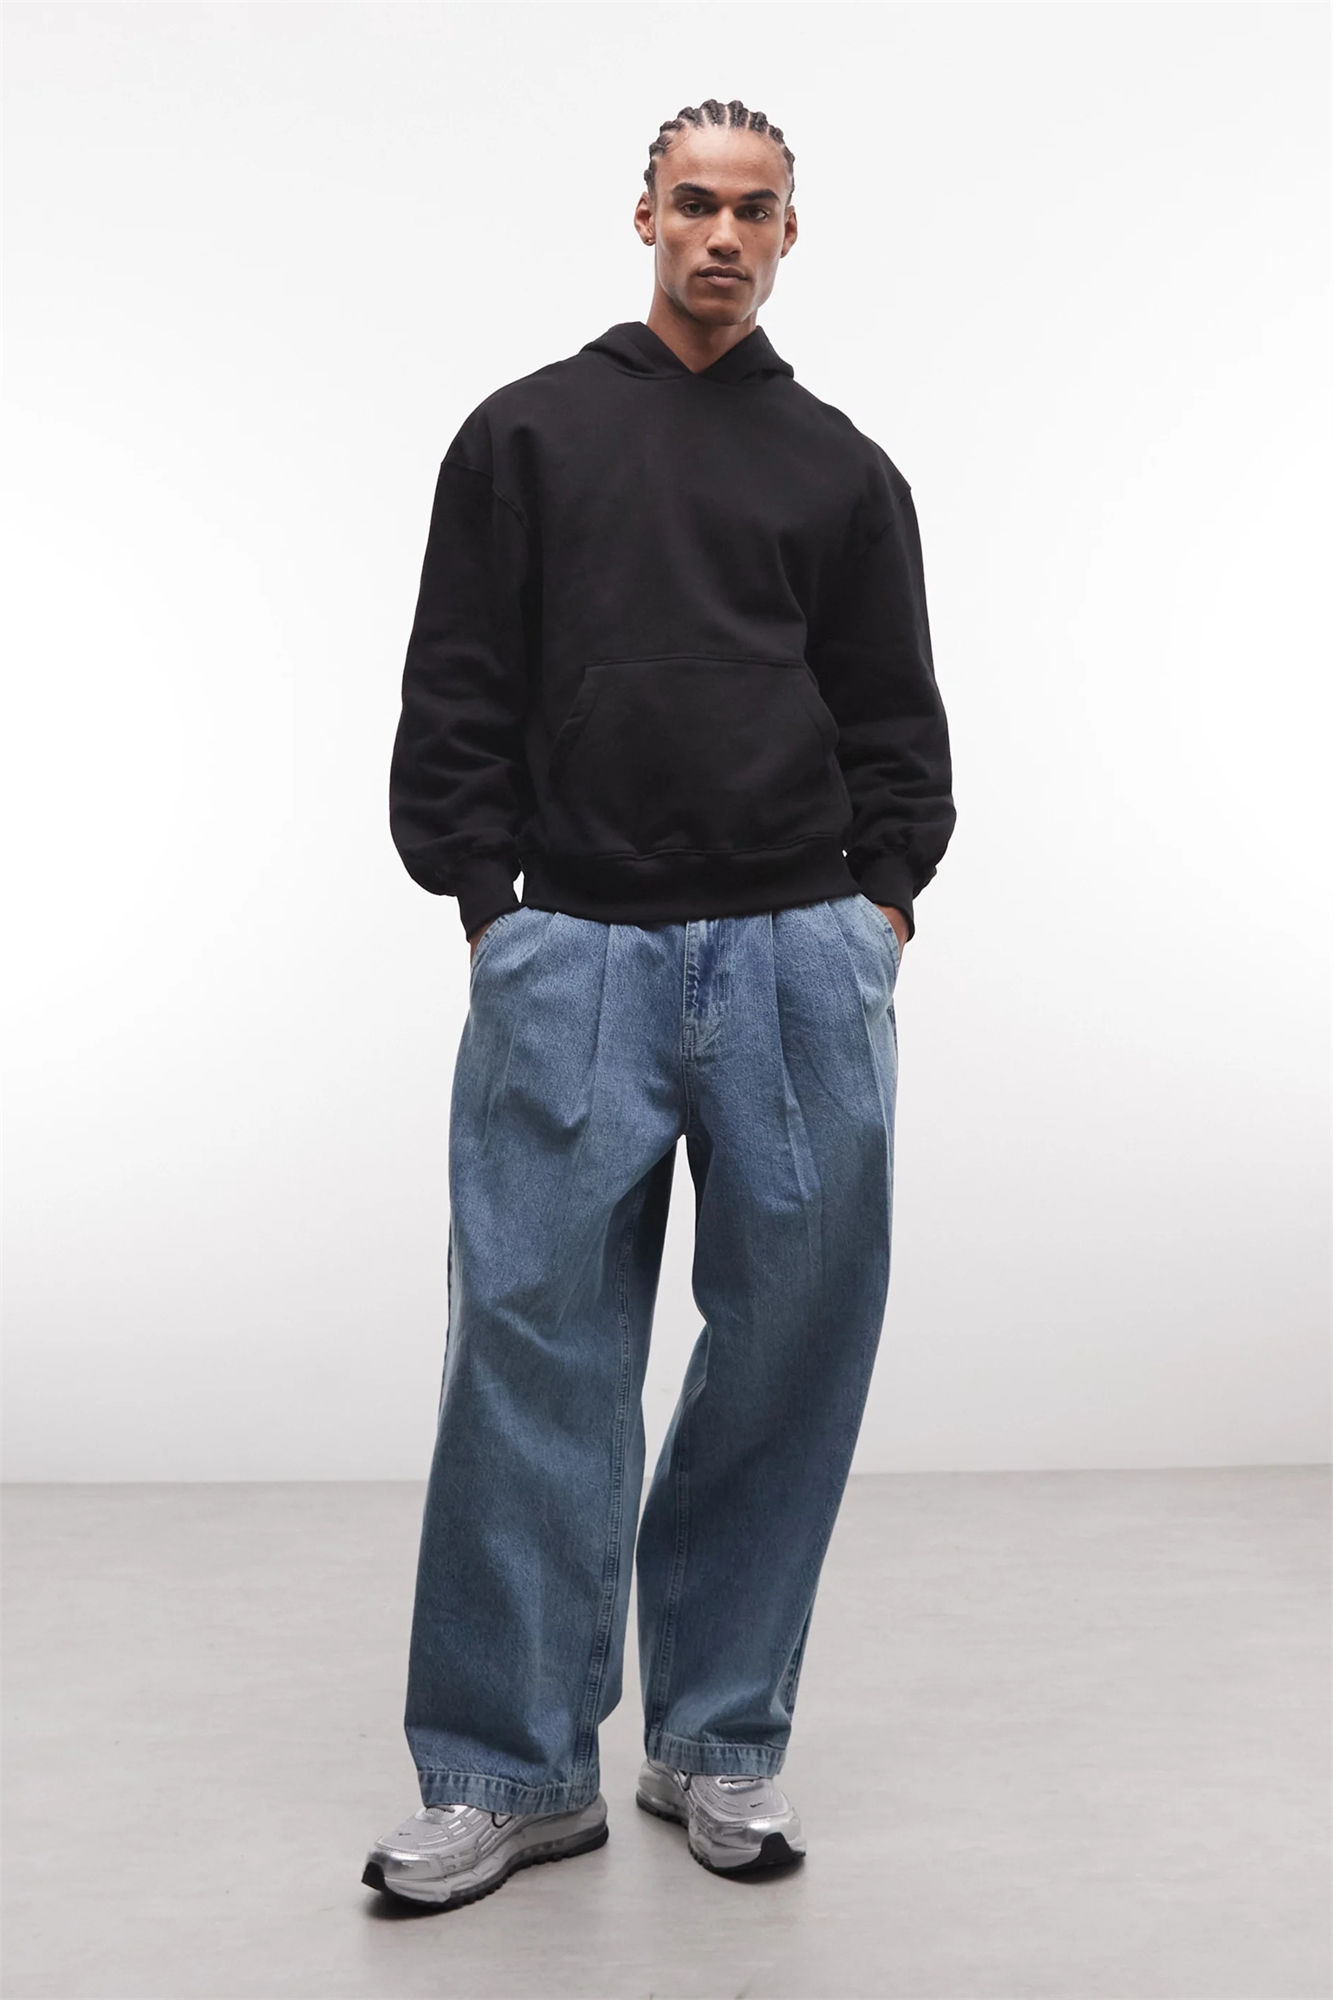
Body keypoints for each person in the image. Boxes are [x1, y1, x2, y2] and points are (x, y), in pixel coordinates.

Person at [364, 96, 957, 1912]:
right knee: (529, 1360)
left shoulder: (838, 468)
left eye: (752, 211)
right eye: (692, 203)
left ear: (789, 235)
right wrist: (489, 906)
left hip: (795, 958)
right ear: (643, 216)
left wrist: (879, 905)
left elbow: (892, 711)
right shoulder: (528, 434)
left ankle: (716, 1744)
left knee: (786, 1357)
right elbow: (458, 682)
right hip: (577, 951)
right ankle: (508, 1773)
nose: (720, 235)